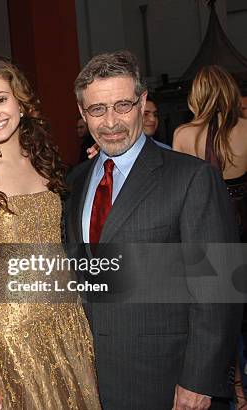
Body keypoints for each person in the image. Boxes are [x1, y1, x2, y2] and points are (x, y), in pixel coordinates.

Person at [65, 50, 242, 409]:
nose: (111, 121)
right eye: (97, 109)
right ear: (83, 113)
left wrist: (199, 379)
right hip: (90, 377)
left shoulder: (191, 177)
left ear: (143, 102)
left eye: (123, 105)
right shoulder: (75, 181)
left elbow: (219, 289)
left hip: (166, 377)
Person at [0, 56, 101, 410]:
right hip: (12, 334)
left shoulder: (44, 163)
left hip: (67, 320)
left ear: (21, 103)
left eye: (1, 99)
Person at [173, 65, 247, 241]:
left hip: (204, 220)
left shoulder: (183, 134)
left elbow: (177, 189)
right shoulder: (245, 128)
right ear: (231, 90)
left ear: (197, 95)